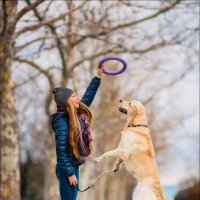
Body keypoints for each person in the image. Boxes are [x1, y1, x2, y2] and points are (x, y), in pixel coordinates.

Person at [50, 66, 104, 200]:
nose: (78, 98)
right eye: (74, 96)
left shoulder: (75, 114)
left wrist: (97, 77)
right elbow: (61, 150)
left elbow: (88, 97)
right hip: (66, 169)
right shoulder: (61, 121)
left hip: (74, 166)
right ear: (66, 101)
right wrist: (69, 173)